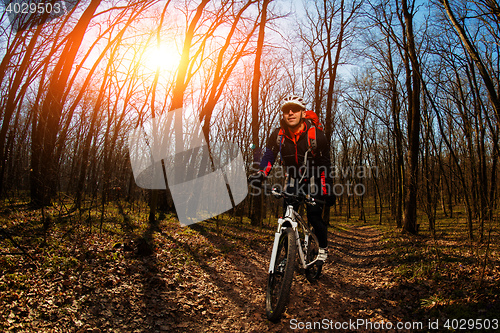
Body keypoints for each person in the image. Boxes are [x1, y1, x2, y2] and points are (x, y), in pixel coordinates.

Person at [251, 95, 333, 262]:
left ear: (303, 113)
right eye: (286, 110)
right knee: (287, 216)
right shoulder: (277, 135)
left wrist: (326, 189)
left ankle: (322, 249)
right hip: (293, 179)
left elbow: (324, 164)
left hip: (314, 179)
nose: (290, 112)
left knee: (314, 216)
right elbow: (269, 156)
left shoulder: (316, 136)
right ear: (283, 115)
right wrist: (261, 173)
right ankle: (288, 256)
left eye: (295, 109)